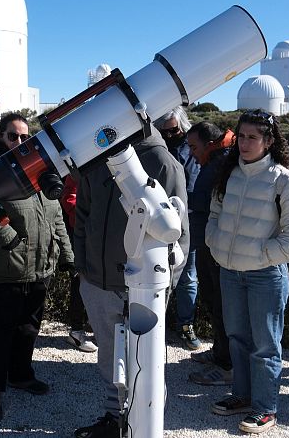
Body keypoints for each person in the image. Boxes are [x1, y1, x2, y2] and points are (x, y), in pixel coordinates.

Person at [73, 127, 189, 438]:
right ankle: (115, 420)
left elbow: (179, 231)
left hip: (140, 286)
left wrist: (164, 286)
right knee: (110, 359)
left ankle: (145, 424)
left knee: (145, 363)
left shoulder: (161, 162)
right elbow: (82, 215)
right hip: (97, 279)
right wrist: (84, 268)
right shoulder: (96, 160)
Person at [0, 112, 74, 421]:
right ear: (1, 137)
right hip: (0, 268)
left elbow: (55, 216)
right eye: (13, 136)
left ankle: (21, 375)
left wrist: (66, 254)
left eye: (26, 137)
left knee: (27, 327)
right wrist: (9, 238)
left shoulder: (39, 169)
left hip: (39, 267)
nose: (20, 142)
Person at [205, 109, 289, 434]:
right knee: (237, 338)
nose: (245, 143)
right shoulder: (229, 173)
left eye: (253, 137)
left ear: (268, 141)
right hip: (230, 272)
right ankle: (242, 396)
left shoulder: (284, 180)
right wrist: (216, 242)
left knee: (265, 345)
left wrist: (265, 255)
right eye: (242, 136)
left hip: (266, 276)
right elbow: (214, 212)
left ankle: (266, 409)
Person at [182, 122, 236, 386]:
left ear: (208, 143)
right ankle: (220, 353)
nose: (191, 153)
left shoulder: (222, 164)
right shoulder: (216, 160)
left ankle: (226, 365)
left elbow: (210, 203)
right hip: (209, 244)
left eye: (193, 147)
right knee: (215, 303)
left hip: (218, 246)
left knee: (222, 304)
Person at [153, 106, 201, 350]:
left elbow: (194, 185)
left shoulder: (193, 150)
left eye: (174, 130)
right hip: (155, 224)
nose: (170, 135)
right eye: (164, 132)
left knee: (187, 278)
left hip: (186, 223)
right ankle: (156, 324)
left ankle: (185, 325)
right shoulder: (156, 149)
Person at [60, 174, 98, 353]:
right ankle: (76, 330)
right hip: (82, 233)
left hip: (103, 233)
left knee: (101, 281)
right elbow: (69, 198)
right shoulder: (81, 166)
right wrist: (88, 219)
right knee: (80, 279)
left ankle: (98, 327)